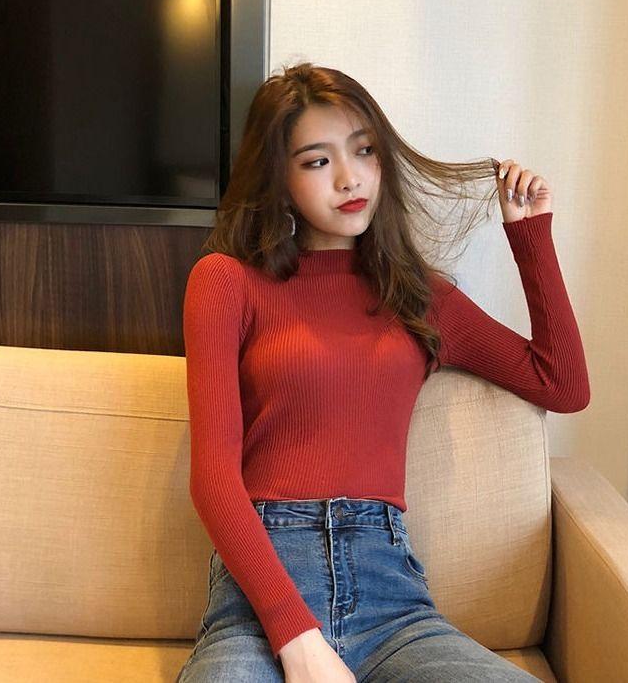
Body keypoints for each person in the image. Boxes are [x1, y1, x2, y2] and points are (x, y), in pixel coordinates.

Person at [177, 62, 590, 682]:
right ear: (279, 178)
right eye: (317, 161)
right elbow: (214, 481)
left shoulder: (418, 296)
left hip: (391, 607)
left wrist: (529, 235)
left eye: (364, 150)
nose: (349, 177)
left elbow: (562, 384)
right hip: (258, 607)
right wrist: (299, 641)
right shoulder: (226, 283)